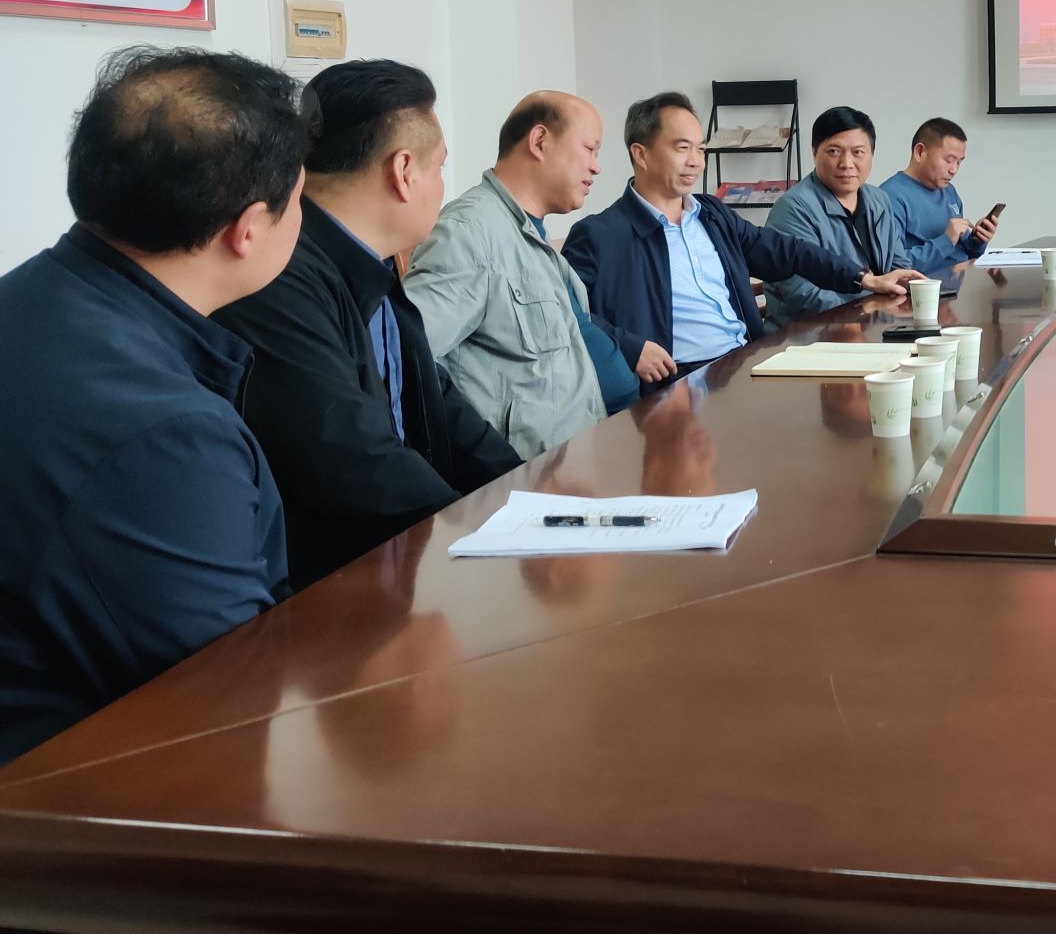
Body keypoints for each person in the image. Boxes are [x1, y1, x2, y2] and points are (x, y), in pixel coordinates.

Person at [0, 48, 303, 764]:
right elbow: (225, 711)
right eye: (299, 201)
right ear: (249, 229)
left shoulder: (31, 298)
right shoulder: (166, 438)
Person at [213, 62, 522, 587]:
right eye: (440, 167)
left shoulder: (369, 261)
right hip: (334, 584)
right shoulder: (280, 274)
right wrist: (472, 541)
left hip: (402, 556)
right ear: (404, 171)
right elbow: (350, 455)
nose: (442, 185)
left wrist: (522, 496)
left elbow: (435, 399)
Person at [564, 92, 918, 374]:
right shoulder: (599, 235)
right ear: (640, 155)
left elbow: (788, 252)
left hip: (744, 362)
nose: (696, 161)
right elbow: (564, 313)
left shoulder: (711, 214)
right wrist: (629, 348)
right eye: (682, 148)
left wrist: (862, 278)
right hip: (676, 380)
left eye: (701, 149)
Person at [406, 92, 643, 458]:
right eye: (589, 149)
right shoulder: (470, 233)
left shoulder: (531, 233)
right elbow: (407, 358)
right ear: (539, 141)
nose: (597, 167)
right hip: (530, 475)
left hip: (584, 457)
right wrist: (488, 459)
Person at [761, 106, 919, 326]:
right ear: (814, 152)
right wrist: (866, 318)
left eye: (858, 152)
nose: (846, 163)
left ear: (871, 155)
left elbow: (899, 267)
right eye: (834, 151)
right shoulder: (792, 208)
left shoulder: (879, 200)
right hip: (808, 334)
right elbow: (803, 295)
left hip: (872, 326)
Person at [879, 117, 1000, 278]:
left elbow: (963, 251)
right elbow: (895, 267)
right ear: (920, 152)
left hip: (958, 282)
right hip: (923, 290)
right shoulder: (890, 197)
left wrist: (977, 240)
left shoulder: (949, 191)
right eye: (949, 160)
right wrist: (946, 241)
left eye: (959, 162)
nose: (954, 170)